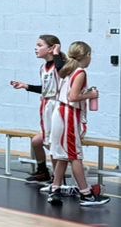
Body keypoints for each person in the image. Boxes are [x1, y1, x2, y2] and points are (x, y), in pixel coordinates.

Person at [44, 41, 107, 206]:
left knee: (63, 155)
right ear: (87, 55)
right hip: (68, 114)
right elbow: (73, 97)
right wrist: (90, 95)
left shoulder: (67, 70)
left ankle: (55, 189)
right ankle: (86, 194)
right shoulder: (80, 72)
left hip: (60, 112)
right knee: (75, 156)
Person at [7, 34, 65, 184]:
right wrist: (26, 86)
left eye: (40, 45)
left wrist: (57, 53)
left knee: (53, 145)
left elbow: (61, 71)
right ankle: (43, 171)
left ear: (51, 48)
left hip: (58, 107)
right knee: (38, 141)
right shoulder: (43, 68)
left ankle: (58, 180)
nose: (36, 48)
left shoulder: (61, 65)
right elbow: (46, 89)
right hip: (47, 106)